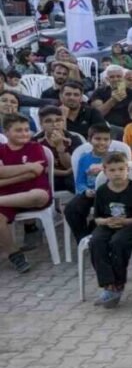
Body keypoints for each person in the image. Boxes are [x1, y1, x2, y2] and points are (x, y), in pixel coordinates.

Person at [88, 152, 132, 307]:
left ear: (128, 170)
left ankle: (118, 284)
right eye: (112, 170)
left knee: (118, 242)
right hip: (108, 224)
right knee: (96, 241)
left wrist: (125, 221)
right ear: (105, 172)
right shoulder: (102, 191)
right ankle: (108, 285)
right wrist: (107, 221)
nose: (117, 173)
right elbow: (97, 218)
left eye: (121, 169)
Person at [0, 113, 51, 273]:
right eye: (18, 130)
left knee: (40, 196)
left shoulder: (35, 147)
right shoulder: (1, 150)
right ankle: (14, 254)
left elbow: (36, 172)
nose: (24, 134)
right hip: (7, 196)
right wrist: (28, 167)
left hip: (32, 193)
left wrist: (6, 173)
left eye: (26, 130)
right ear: (6, 132)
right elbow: (30, 170)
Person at [64, 122, 113, 243]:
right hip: (91, 193)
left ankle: (94, 229)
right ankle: (83, 239)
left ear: (110, 141)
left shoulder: (116, 157)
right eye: (97, 139)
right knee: (71, 208)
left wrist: (104, 168)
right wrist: (86, 191)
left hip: (111, 194)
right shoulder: (84, 158)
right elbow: (80, 182)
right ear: (89, 140)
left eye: (106, 139)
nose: (102, 142)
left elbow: (122, 178)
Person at [32, 106, 81, 192]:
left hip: (71, 176)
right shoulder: (35, 141)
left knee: (73, 180)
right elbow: (40, 168)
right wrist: (64, 173)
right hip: (49, 175)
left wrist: (60, 145)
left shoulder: (74, 138)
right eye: (48, 121)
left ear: (63, 121)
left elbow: (72, 165)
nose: (54, 125)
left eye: (58, 120)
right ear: (41, 124)